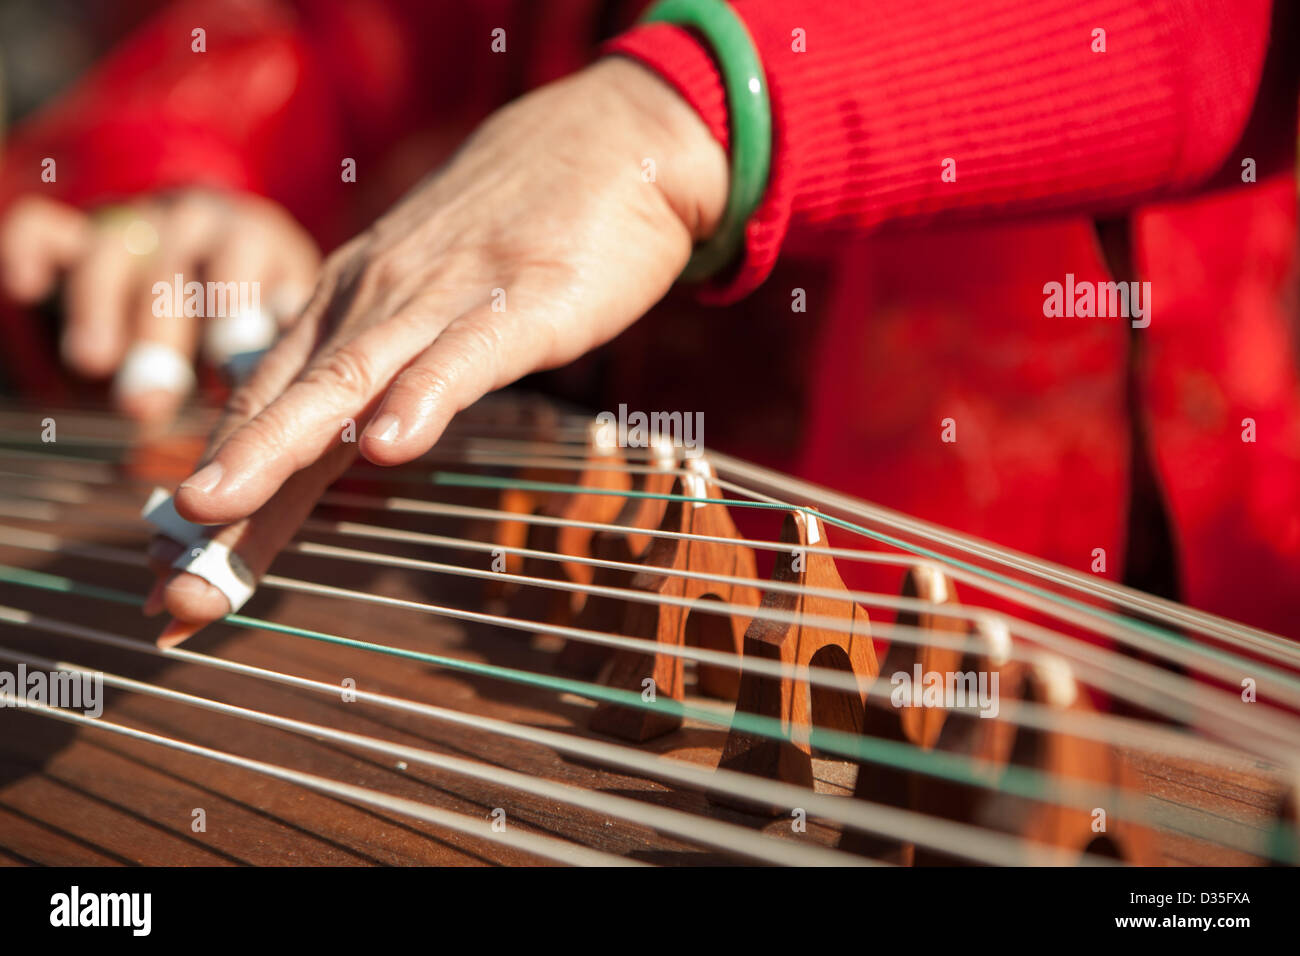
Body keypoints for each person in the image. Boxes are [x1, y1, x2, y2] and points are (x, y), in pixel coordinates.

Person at [1, 0, 1296, 647]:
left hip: (1093, 613)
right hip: (516, 606)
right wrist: (177, 183)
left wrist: (686, 115)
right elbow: (341, 32)